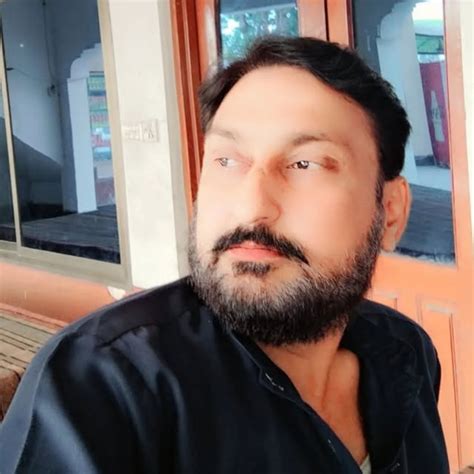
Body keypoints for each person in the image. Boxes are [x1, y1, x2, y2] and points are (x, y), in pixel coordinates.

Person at [0, 36, 448, 474]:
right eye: (227, 161)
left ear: (390, 213)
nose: (251, 206)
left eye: (305, 164)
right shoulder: (103, 389)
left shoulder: (406, 356)